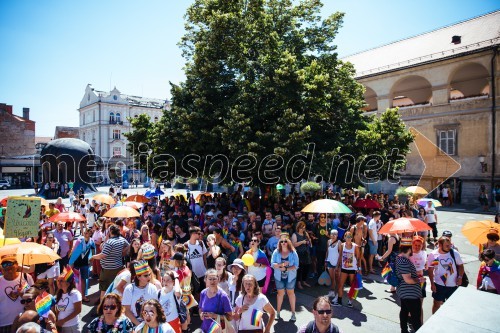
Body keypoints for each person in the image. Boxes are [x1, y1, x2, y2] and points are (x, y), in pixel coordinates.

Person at [90, 225, 130, 301]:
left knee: (104, 289)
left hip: (108, 270)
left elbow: (103, 255)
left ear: (111, 232)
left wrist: (93, 257)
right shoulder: (122, 239)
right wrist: (122, 253)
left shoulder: (110, 242)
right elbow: (128, 246)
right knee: (115, 288)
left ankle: (102, 307)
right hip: (118, 267)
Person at [427, 236, 464, 314]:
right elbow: (431, 270)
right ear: (440, 245)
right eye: (447, 245)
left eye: (450, 245)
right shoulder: (434, 255)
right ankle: (434, 320)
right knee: (437, 304)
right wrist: (432, 284)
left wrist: (460, 277)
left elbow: (460, 265)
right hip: (439, 285)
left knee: (451, 305)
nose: (449, 247)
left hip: (453, 285)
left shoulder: (454, 253)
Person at [395, 238, 424, 333]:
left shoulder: (401, 258)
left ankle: (404, 330)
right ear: (409, 248)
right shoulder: (404, 261)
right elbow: (408, 280)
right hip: (409, 293)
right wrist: (419, 280)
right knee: (416, 317)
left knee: (404, 311)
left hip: (405, 292)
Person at [0, 255, 34, 333]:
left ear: (16, 265)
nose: (7, 267)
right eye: (4, 265)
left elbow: (34, 298)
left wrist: (23, 295)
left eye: (10, 264)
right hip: (4, 324)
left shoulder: (26, 277)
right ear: (1, 268)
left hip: (25, 321)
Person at [122, 260, 159, 326]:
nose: (149, 277)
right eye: (145, 276)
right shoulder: (129, 289)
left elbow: (156, 308)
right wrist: (139, 326)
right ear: (138, 277)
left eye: (149, 274)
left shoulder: (153, 288)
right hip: (134, 324)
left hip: (150, 324)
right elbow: (127, 311)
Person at [198, 269, 233, 333]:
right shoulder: (203, 293)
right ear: (205, 280)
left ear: (218, 279)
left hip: (218, 330)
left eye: (214, 279)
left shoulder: (223, 296)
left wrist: (214, 316)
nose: (212, 281)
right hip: (205, 329)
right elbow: (200, 308)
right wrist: (201, 314)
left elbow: (230, 317)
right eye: (210, 279)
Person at [333, 231, 360, 308]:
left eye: (350, 237)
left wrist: (359, 268)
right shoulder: (342, 245)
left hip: (353, 269)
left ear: (352, 238)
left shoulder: (355, 246)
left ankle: (350, 301)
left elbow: (358, 258)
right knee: (340, 285)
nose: (348, 238)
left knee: (352, 285)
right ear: (344, 237)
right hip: (344, 268)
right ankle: (339, 301)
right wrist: (337, 266)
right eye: (347, 237)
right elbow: (340, 256)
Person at [69, 228, 95, 302]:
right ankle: (73, 297)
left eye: (88, 233)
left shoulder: (92, 241)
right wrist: (71, 263)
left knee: (84, 279)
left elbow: (93, 251)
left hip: (85, 263)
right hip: (76, 263)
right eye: (85, 232)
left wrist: (92, 259)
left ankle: (83, 296)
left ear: (90, 234)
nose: (86, 234)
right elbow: (74, 251)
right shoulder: (79, 241)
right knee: (74, 280)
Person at [55, 267, 82, 333]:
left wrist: (63, 321)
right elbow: (59, 309)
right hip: (61, 326)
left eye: (61, 281)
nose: (58, 283)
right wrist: (56, 320)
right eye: (58, 280)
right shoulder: (59, 293)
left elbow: (78, 310)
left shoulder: (75, 294)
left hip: (72, 326)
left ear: (68, 283)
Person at [291, 221, 312, 289]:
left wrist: (309, 241)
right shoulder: (295, 234)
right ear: (298, 228)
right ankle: (298, 283)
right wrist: (302, 242)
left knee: (307, 268)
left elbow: (309, 242)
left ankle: (304, 281)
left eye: (303, 228)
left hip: (306, 253)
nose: (302, 229)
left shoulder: (305, 234)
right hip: (299, 254)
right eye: (301, 228)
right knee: (299, 269)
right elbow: (294, 244)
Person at [325, 229, 340, 303]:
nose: (333, 235)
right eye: (332, 234)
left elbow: (341, 255)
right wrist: (326, 260)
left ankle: (337, 295)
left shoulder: (340, 243)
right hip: (329, 262)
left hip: (337, 263)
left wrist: (338, 265)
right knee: (332, 278)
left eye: (335, 234)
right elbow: (327, 251)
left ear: (337, 235)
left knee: (337, 279)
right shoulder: (328, 241)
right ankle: (332, 292)